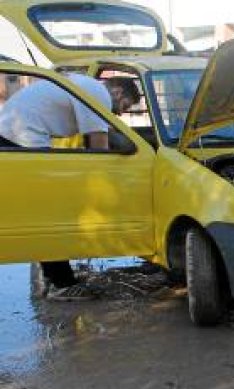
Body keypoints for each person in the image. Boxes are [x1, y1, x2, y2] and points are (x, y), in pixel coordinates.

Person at [0, 73, 141, 300]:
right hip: (22, 138)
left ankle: (53, 274)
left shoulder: (87, 86)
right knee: (49, 213)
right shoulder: (98, 95)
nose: (121, 113)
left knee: (42, 212)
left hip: (11, 133)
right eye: (125, 106)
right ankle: (62, 284)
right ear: (117, 92)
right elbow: (99, 150)